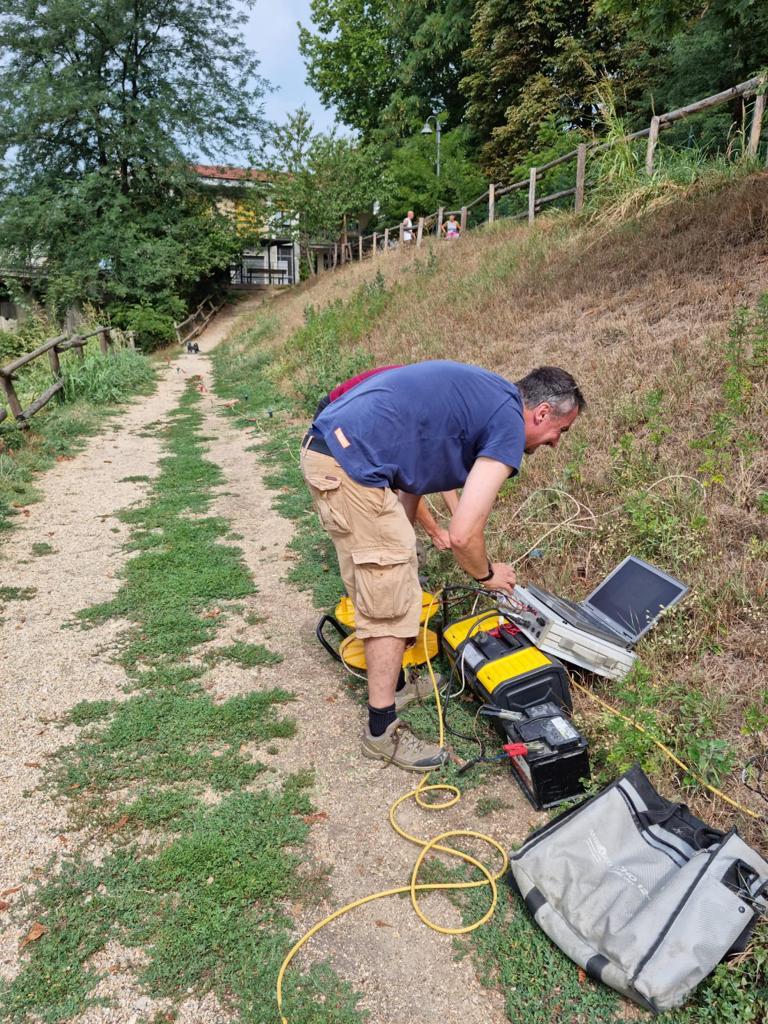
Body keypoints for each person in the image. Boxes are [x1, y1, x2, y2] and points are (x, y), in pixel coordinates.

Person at [300, 362, 585, 772]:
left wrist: (404, 548)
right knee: (391, 596)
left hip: (339, 452)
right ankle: (382, 732)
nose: (556, 443)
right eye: (561, 431)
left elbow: (414, 474)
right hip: (350, 462)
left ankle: (394, 686)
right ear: (542, 413)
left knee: (387, 576)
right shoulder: (506, 422)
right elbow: (464, 534)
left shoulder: (489, 397)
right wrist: (487, 575)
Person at [313, 365, 458, 550]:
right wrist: (435, 531)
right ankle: (389, 552)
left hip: (365, 413)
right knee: (375, 493)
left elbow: (441, 464)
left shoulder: (433, 398)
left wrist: (458, 519)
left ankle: (397, 549)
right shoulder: (414, 404)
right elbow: (411, 480)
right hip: (336, 414)